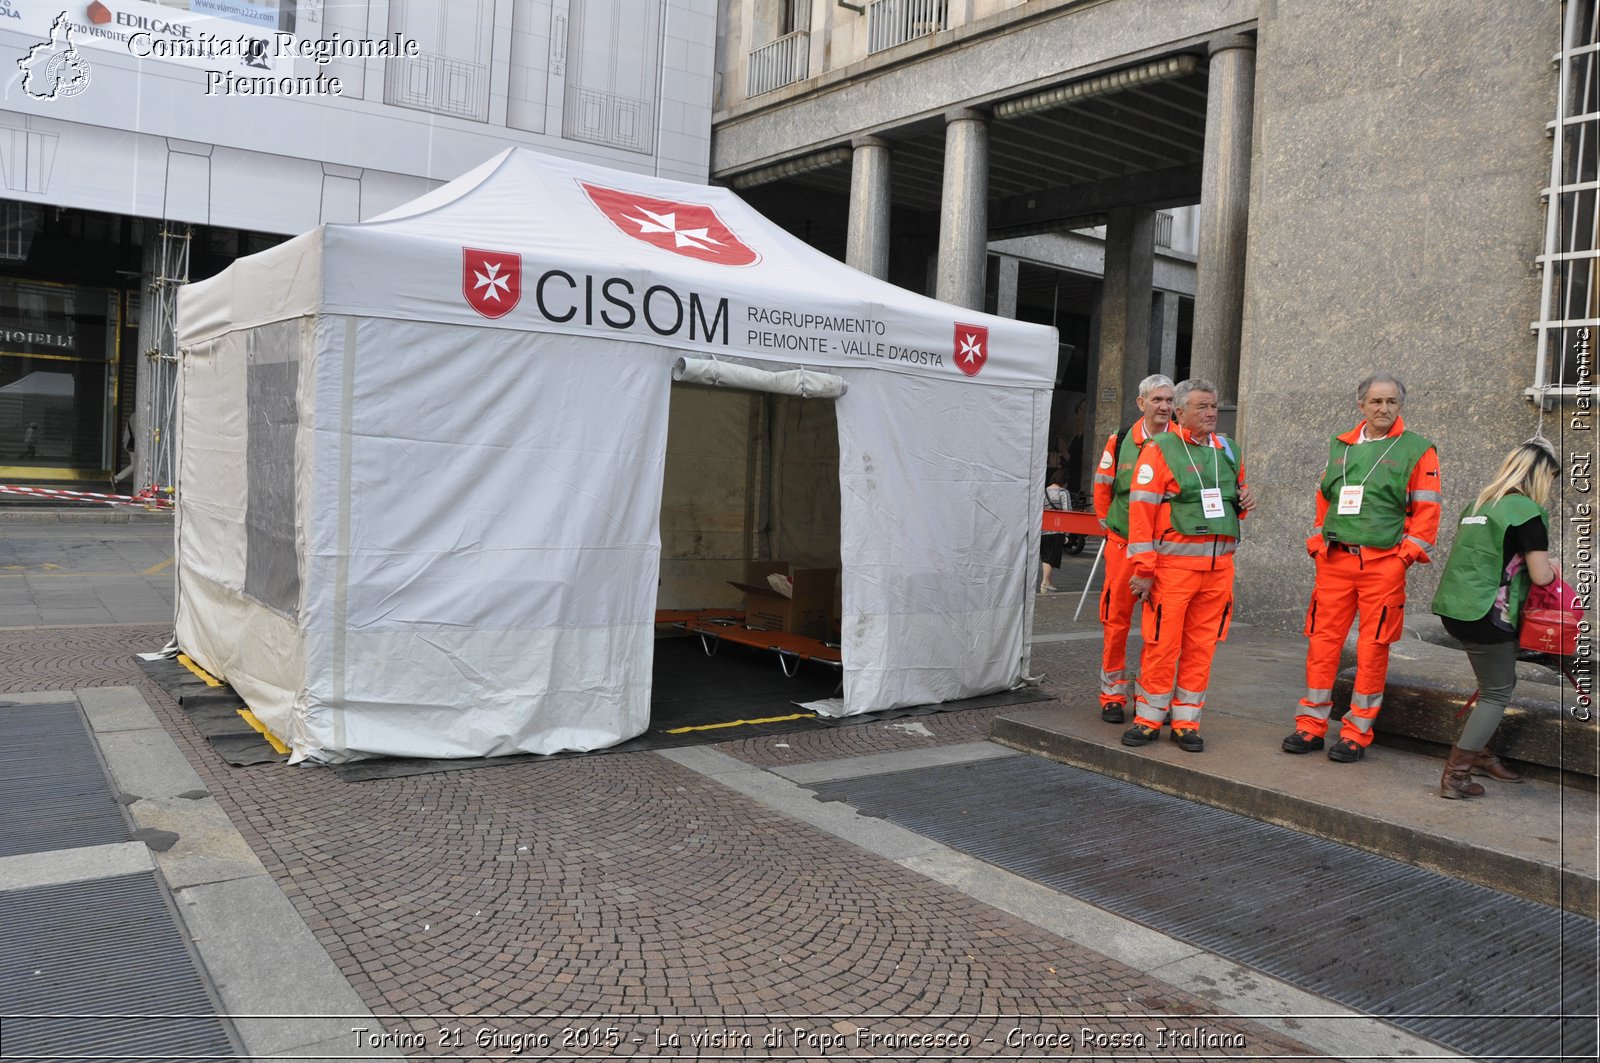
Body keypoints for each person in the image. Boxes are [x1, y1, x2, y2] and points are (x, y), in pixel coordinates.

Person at [1282, 372, 1442, 763]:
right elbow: (1326, 499)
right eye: (1376, 402)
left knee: (1373, 649)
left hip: (1383, 565)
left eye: (1392, 402)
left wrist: (1403, 557)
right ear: (1361, 405)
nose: (1384, 409)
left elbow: (1428, 512)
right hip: (1335, 562)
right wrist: (1318, 543)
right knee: (1322, 645)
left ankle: (1356, 732)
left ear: (1400, 406)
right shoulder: (1342, 445)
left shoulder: (1418, 449)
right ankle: (1311, 726)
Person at [1122, 379, 1253, 752]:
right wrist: (1144, 570)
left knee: (1201, 648)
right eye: (1202, 407)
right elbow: (1141, 513)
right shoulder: (1160, 449)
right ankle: (1148, 719)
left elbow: (1234, 498)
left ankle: (1186, 722)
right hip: (1172, 572)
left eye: (1213, 406)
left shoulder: (1227, 449)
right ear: (1180, 412)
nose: (1211, 413)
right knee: (1161, 645)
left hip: (1218, 571)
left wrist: (1244, 499)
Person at [1430, 441, 1559, 798]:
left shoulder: (1480, 504)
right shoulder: (1527, 513)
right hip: (1491, 614)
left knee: (1493, 682)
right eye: (1550, 477)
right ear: (1537, 475)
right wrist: (1553, 569)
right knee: (1496, 694)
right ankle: (1455, 777)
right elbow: (1541, 576)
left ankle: (1483, 753)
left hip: (1457, 609)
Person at [1091, 373, 1176, 722]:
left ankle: (1151, 693)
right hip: (1124, 547)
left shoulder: (1182, 442)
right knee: (1117, 622)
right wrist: (1113, 529)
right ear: (1141, 404)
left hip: (1168, 552)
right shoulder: (1120, 440)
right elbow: (1102, 488)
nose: (1165, 407)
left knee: (1163, 630)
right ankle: (1112, 693)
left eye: (1170, 400)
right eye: (1157, 400)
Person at [1039, 469, 1070, 593]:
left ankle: (1047, 582)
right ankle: (1045, 582)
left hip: (1043, 529)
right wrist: (1067, 533)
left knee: (1046, 556)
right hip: (1057, 530)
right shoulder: (1063, 492)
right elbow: (1068, 512)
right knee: (1052, 557)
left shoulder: (1044, 491)